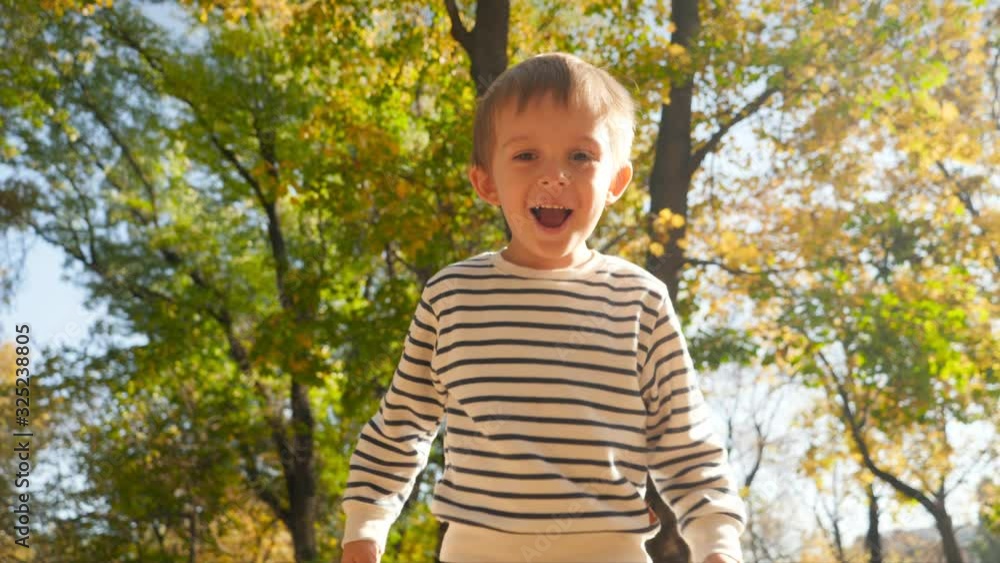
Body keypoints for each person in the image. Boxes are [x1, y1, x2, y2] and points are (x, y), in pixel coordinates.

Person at [339, 52, 745, 563]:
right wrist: (366, 524)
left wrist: (717, 544)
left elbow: (684, 441)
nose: (554, 176)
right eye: (526, 156)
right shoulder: (453, 297)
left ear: (616, 181)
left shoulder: (638, 299)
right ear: (486, 181)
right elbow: (401, 423)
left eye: (580, 156)